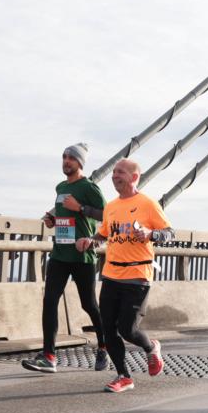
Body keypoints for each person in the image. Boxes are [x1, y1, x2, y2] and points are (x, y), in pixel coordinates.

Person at [75, 158, 173, 393]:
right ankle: (123, 376)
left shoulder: (148, 203)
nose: (114, 176)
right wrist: (90, 241)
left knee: (127, 330)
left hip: (137, 275)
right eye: (114, 172)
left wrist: (151, 234)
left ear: (134, 177)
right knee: (108, 329)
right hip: (111, 274)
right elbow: (104, 234)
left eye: (120, 172)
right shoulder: (111, 206)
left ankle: (151, 347)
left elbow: (169, 233)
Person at [22, 143, 109, 374]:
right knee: (49, 301)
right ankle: (49, 356)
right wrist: (53, 220)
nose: (66, 161)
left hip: (82, 256)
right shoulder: (60, 187)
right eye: (64, 157)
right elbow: (64, 215)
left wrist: (79, 207)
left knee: (88, 304)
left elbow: (106, 215)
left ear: (80, 163)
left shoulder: (89, 187)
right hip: (60, 253)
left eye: (71, 158)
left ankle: (104, 346)